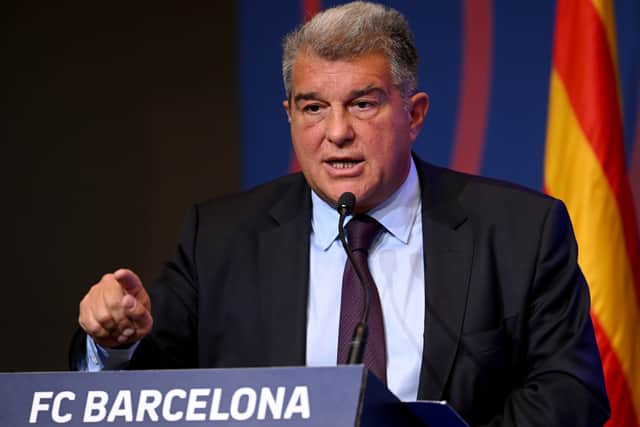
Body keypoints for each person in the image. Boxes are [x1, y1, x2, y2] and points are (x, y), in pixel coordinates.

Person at [71, 2, 610, 425]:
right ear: (288, 115)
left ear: (414, 114)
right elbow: (152, 391)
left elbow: (570, 391)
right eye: (312, 107)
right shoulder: (219, 238)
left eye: (363, 103)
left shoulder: (519, 231)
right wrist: (116, 344)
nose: (336, 133)